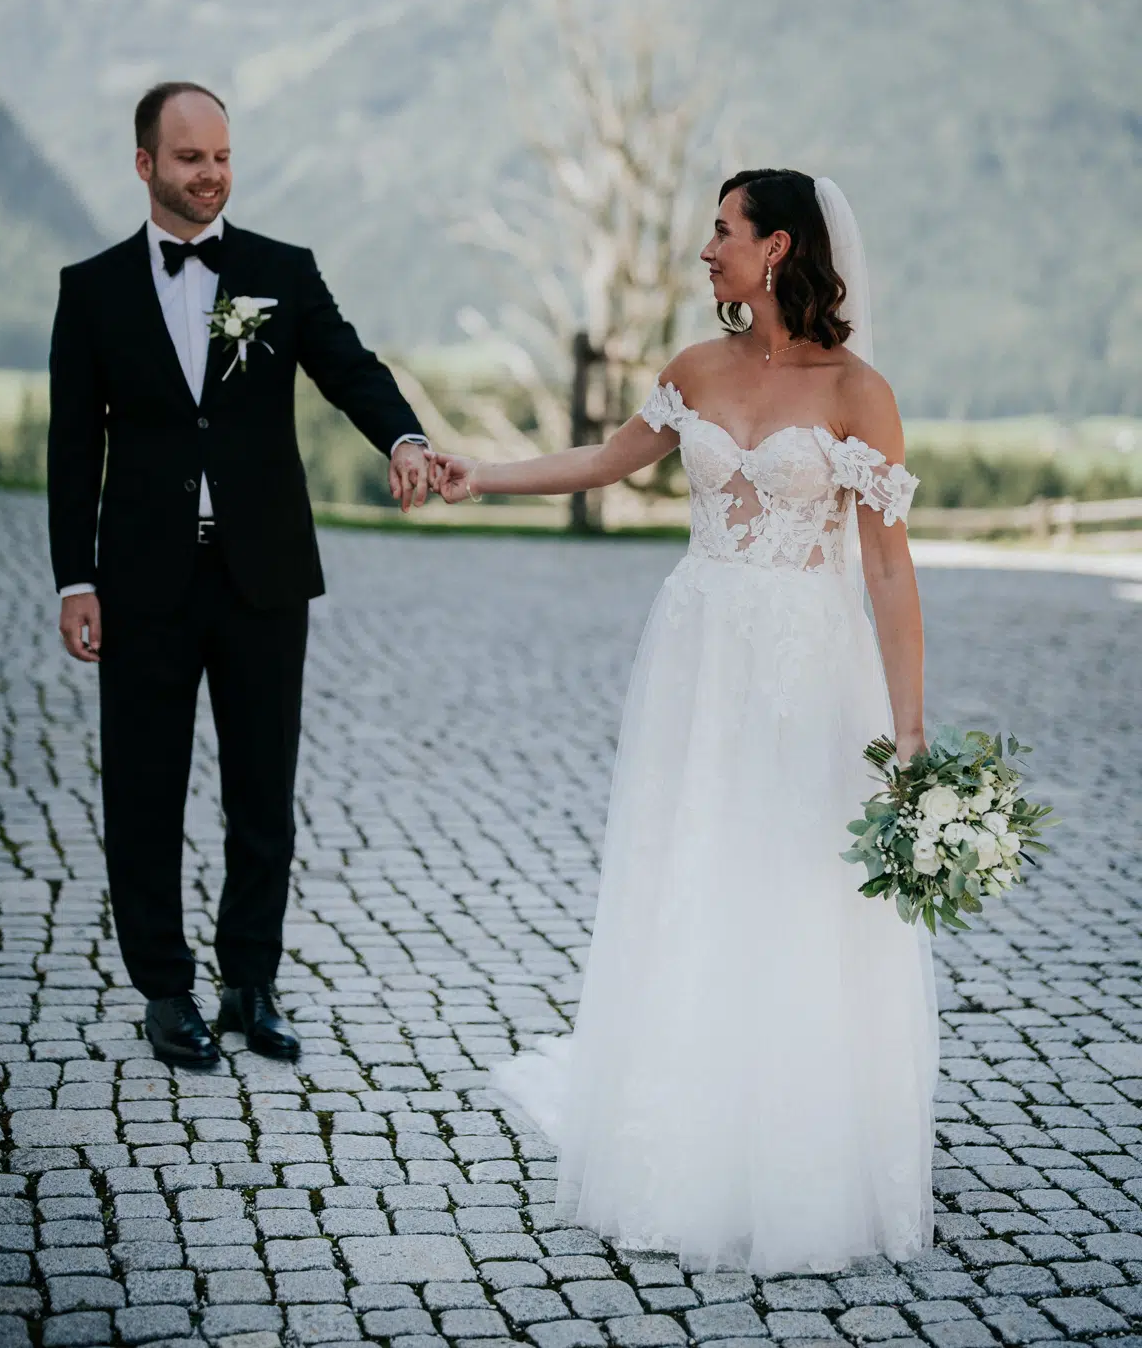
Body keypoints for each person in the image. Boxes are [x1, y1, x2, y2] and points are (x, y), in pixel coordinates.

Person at [428, 168, 938, 1275]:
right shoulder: (694, 369)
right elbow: (607, 462)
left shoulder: (861, 393)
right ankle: (683, 1148)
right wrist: (482, 476)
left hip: (812, 665)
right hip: (698, 659)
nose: (706, 250)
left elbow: (891, 576)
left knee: (798, 889)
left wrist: (909, 732)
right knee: (693, 870)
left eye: (723, 231)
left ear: (778, 247)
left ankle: (801, 1156)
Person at [48, 82, 431, 1068]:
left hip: (263, 576)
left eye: (222, 155)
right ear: (145, 166)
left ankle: (249, 985)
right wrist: (73, 579)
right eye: (189, 159)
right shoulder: (89, 292)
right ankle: (166, 990)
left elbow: (350, 366)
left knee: (263, 794)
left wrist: (403, 434)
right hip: (141, 585)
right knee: (145, 791)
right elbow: (67, 451)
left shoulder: (280, 272)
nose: (211, 173)